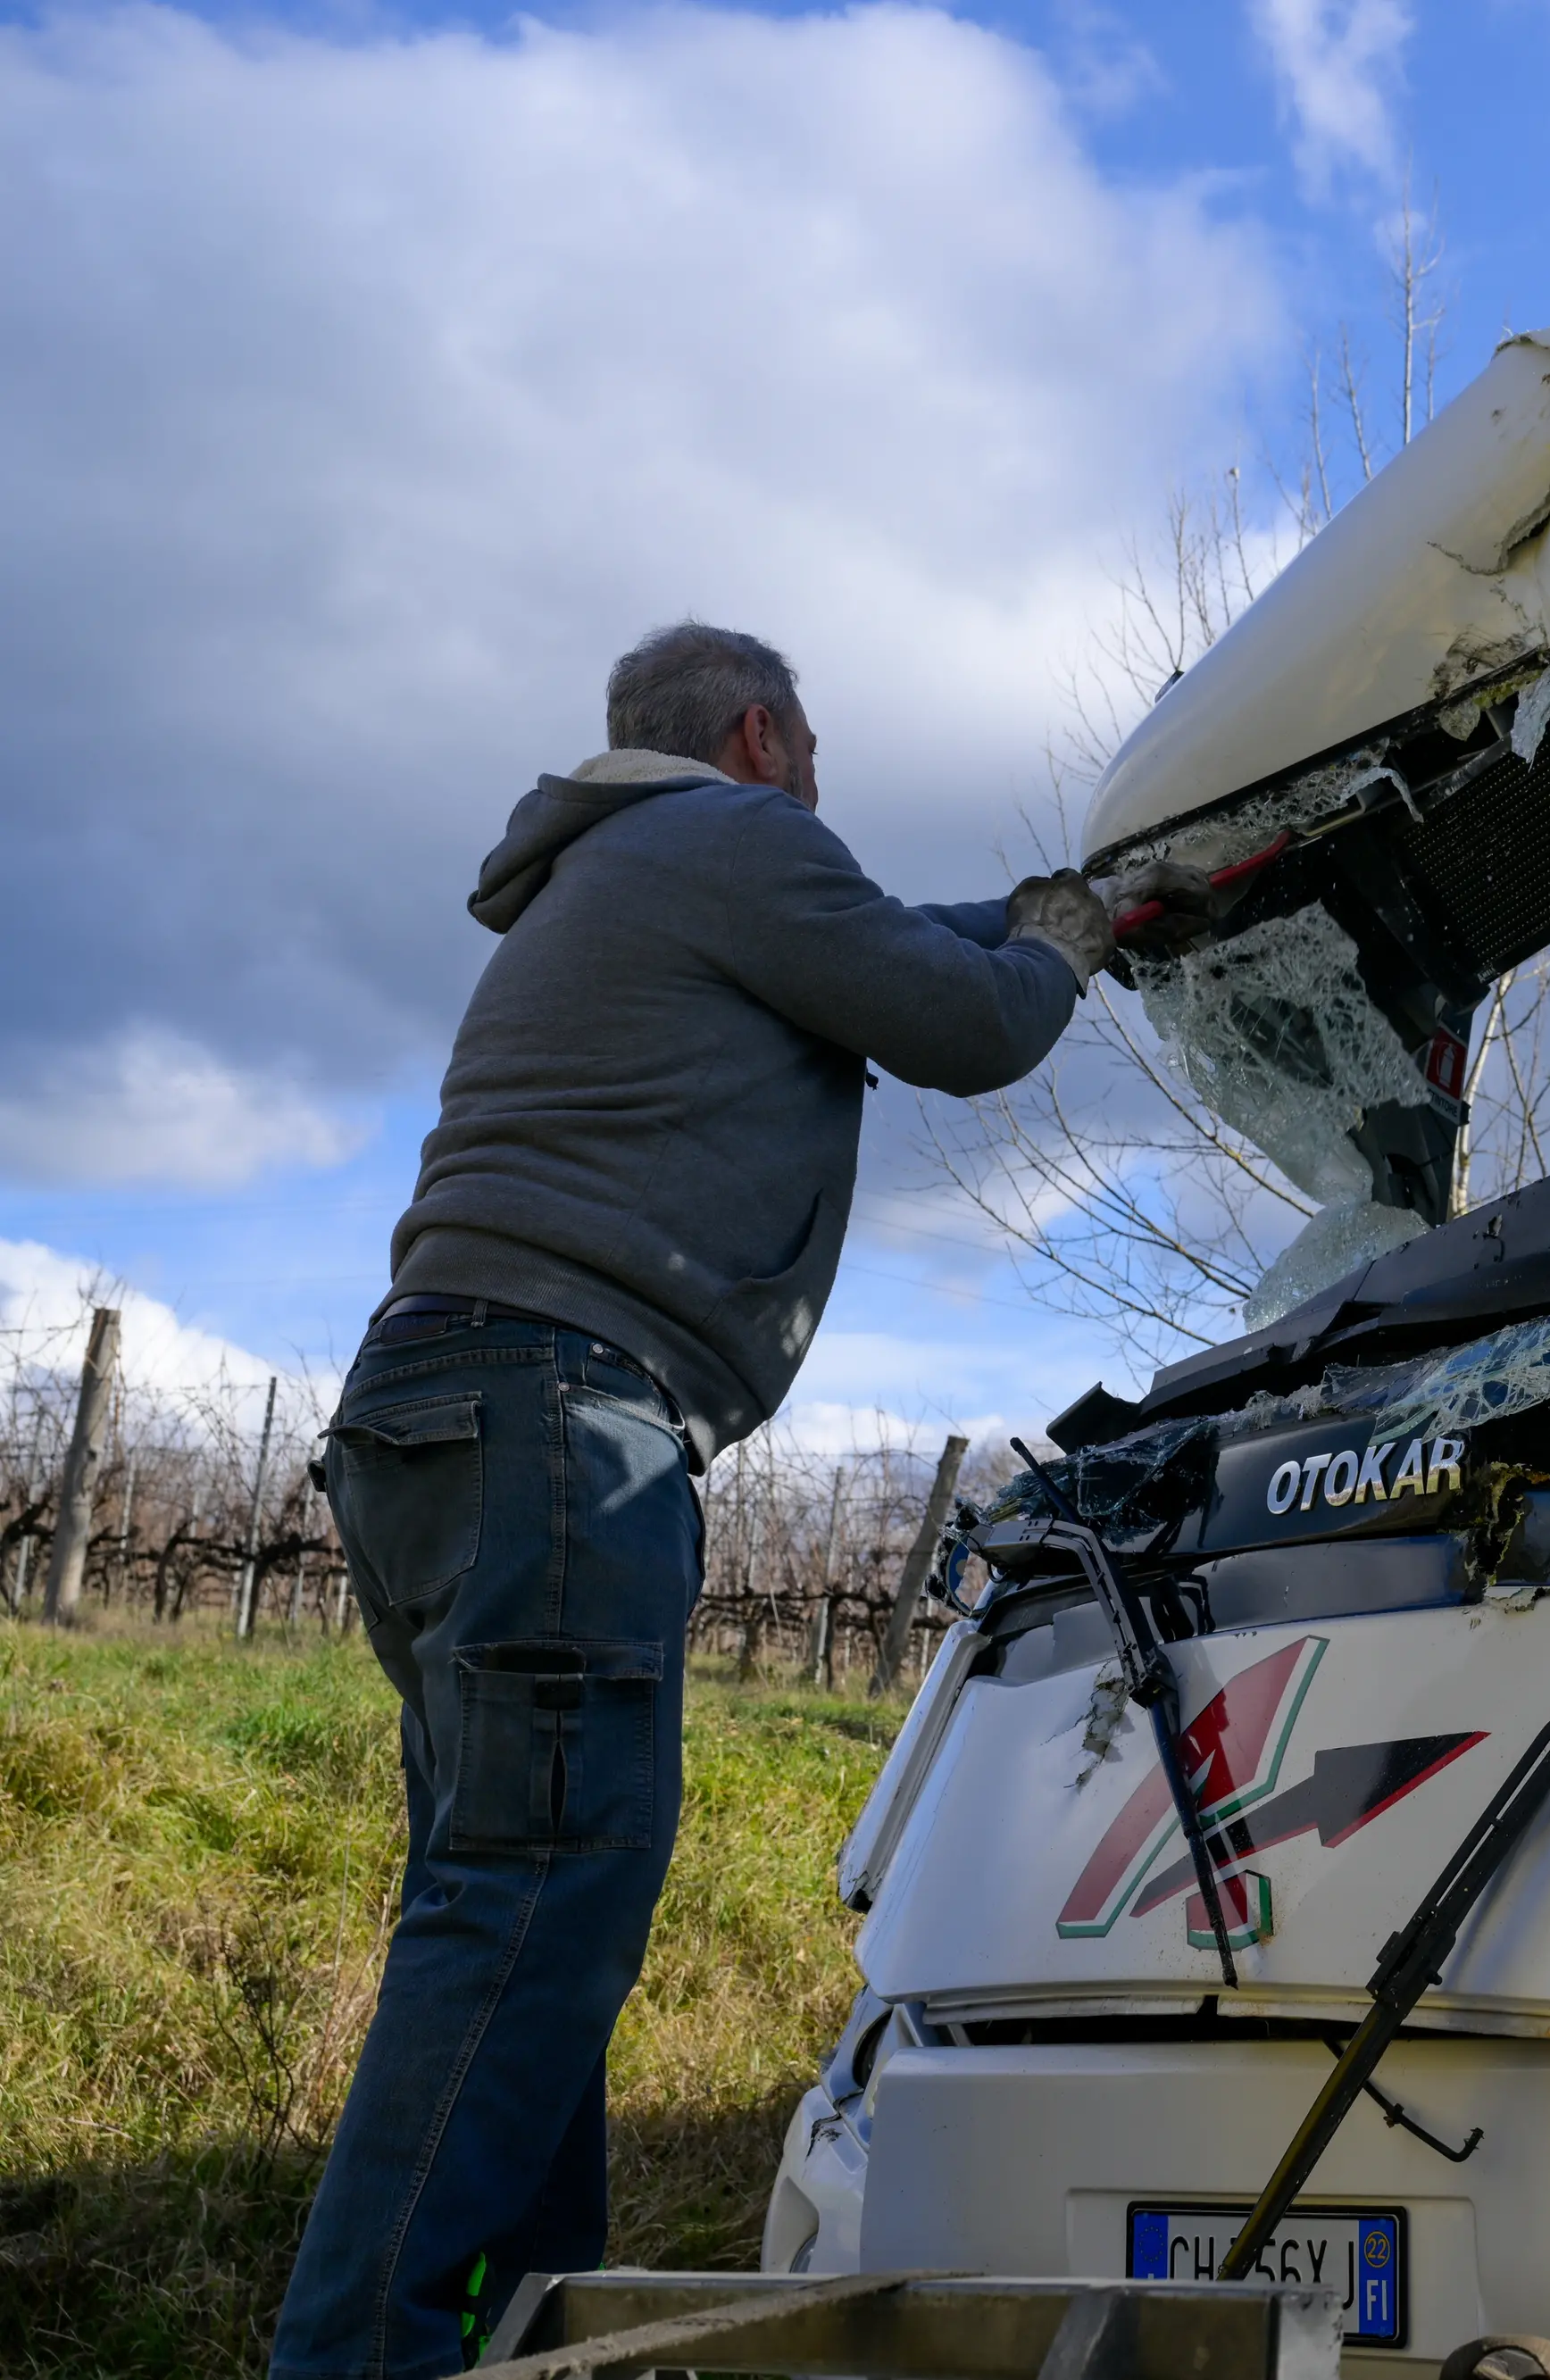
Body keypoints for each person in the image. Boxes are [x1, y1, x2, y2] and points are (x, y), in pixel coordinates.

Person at [271, 624, 1120, 2380]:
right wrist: (1052, 950)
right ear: (762, 734)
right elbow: (962, 1018)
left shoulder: (628, 867)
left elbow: (896, 945)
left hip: (435, 1417)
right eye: (815, 753)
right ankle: (357, 2355)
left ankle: (521, 2333)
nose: (824, 789)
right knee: (530, 1901)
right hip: (568, 1420)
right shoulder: (741, 844)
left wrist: (1068, 919)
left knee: (522, 1912)